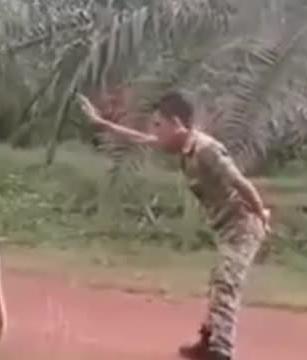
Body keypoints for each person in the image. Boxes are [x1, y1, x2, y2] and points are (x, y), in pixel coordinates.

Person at [77, 91, 270, 360]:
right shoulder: (183, 147)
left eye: (159, 125)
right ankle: (208, 340)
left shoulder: (206, 149)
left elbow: (239, 181)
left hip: (243, 226)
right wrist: (105, 126)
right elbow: (141, 139)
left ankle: (221, 351)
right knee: (220, 281)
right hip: (224, 227)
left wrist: (260, 212)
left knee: (226, 282)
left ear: (177, 124)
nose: (155, 132)